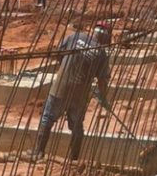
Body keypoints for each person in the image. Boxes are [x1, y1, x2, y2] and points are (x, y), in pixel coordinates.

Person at [29, 23, 111, 161]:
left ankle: (38, 152)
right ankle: (74, 159)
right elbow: (102, 81)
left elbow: (59, 55)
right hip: (80, 94)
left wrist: (68, 69)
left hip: (60, 87)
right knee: (76, 125)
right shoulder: (101, 53)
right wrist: (103, 98)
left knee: (47, 118)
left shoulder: (75, 36)